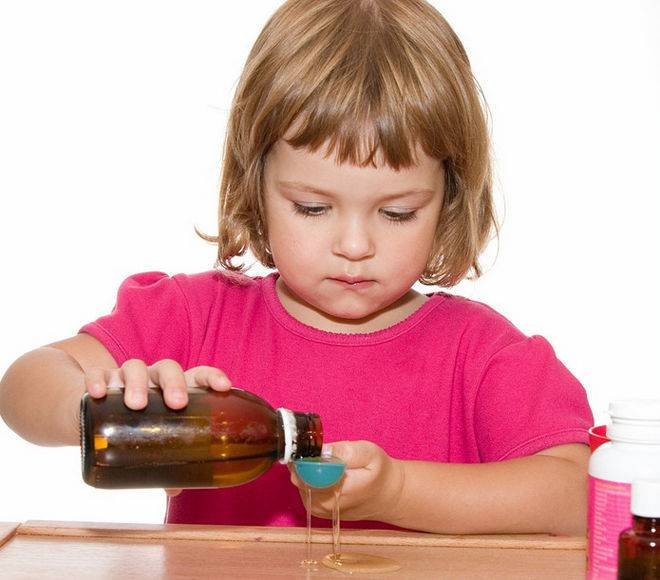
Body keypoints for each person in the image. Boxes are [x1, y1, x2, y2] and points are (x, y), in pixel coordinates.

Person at [0, 0, 593, 535]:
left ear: (450, 199)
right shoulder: (195, 317)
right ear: (255, 184)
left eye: (397, 212)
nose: (354, 245)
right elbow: (22, 386)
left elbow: (576, 494)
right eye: (312, 207)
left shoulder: (481, 354)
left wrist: (399, 492)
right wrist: (102, 404)